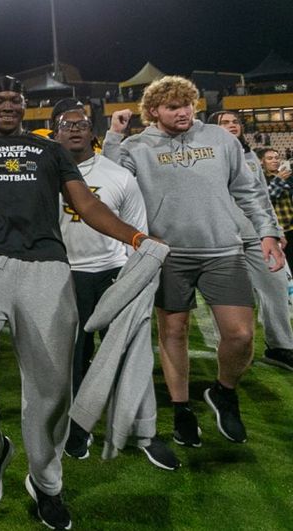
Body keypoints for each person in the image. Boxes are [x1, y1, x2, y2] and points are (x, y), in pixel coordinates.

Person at [0, 76, 151, 530]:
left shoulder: (50, 150)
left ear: (25, 107)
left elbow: (87, 205)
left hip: (46, 264)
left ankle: (46, 482)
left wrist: (136, 236)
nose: (7, 107)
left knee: (51, 385)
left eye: (14, 101)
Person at [105, 78, 284, 448]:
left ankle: (224, 391)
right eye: (173, 107)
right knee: (174, 332)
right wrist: (113, 136)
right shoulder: (137, 146)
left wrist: (267, 231)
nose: (184, 112)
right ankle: (182, 409)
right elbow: (111, 182)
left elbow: (248, 191)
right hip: (169, 254)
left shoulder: (221, 139)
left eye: (188, 104)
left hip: (223, 249)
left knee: (241, 335)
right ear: (153, 110)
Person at [52, 105, 180, 470]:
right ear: (54, 131)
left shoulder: (118, 175)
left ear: (92, 130)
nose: (75, 130)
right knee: (70, 360)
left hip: (112, 275)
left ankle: (144, 432)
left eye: (82, 124)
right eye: (66, 125)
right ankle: (77, 429)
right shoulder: (45, 176)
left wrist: (134, 280)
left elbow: (135, 233)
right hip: (64, 276)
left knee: (130, 357)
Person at [210, 112, 293, 372]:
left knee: (276, 287)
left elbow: (262, 198)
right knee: (226, 297)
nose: (232, 125)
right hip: (222, 238)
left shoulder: (249, 158)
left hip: (257, 236)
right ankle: (226, 348)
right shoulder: (207, 157)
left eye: (235, 122)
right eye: (225, 122)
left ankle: (280, 346)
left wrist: (275, 228)